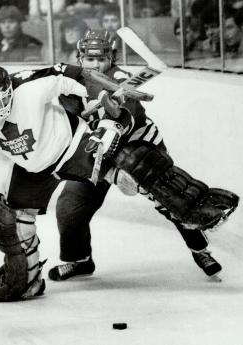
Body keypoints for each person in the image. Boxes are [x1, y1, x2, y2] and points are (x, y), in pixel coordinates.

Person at [0, 42, 238, 302]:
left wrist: (109, 105)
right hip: (32, 168)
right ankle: (26, 280)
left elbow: (74, 75)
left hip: (72, 145)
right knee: (7, 218)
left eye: (4, 95)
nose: (0, 103)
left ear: (8, 85)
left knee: (134, 166)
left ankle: (198, 205)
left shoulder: (29, 82)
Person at [48, 29, 239, 281]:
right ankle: (80, 260)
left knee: (172, 199)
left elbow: (130, 115)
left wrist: (112, 117)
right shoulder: (71, 84)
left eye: (101, 58)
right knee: (69, 207)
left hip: (138, 150)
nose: (96, 64)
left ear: (112, 57)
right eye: (90, 59)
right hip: (97, 156)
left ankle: (200, 250)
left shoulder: (120, 79)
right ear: (80, 58)